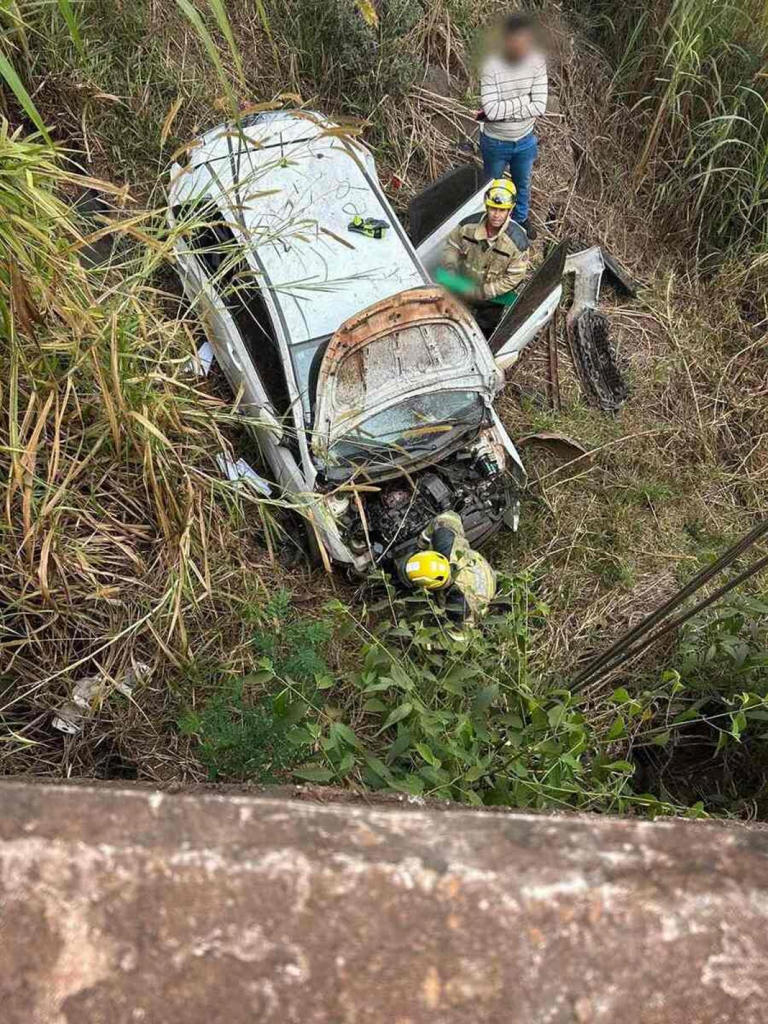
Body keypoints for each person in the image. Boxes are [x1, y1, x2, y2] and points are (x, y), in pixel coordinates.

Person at [478, 13, 548, 238]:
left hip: (525, 139)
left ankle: (518, 223)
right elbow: (491, 111)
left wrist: (504, 110)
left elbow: (539, 106)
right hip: (495, 141)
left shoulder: (537, 63)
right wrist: (523, 101)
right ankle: (487, 226)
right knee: (491, 187)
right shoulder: (491, 67)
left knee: (523, 184)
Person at [441, 177, 530, 336]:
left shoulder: (518, 242)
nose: (496, 215)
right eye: (493, 208)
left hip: (492, 298)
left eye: (502, 210)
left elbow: (514, 277)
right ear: (487, 206)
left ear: (510, 210)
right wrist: (450, 271)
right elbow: (452, 247)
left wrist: (484, 292)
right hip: (462, 286)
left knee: (484, 329)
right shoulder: (468, 226)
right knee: (452, 322)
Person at [396, 511, 497, 625]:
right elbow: (448, 517)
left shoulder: (458, 604)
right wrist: (422, 543)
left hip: (486, 590)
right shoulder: (446, 545)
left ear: (429, 587)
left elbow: (461, 634)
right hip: (482, 567)